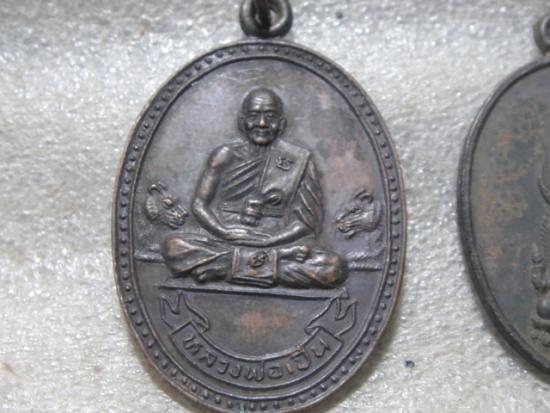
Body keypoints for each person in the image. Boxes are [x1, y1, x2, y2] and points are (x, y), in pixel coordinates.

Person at [162, 87, 347, 288]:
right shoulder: (224, 155)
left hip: (275, 242)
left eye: (270, 117)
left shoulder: (299, 159)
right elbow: (199, 204)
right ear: (242, 122)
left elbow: (306, 223)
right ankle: (270, 265)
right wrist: (224, 232)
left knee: (334, 267)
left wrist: (268, 242)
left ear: (282, 124)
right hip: (226, 240)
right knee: (174, 248)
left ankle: (225, 266)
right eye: (254, 116)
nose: (262, 123)